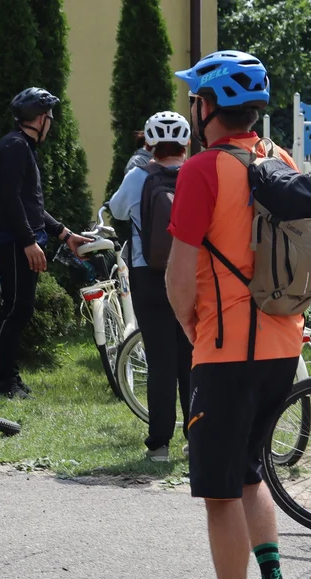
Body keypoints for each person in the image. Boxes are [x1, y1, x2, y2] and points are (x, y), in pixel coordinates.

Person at [165, 51, 302, 579]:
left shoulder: (202, 169)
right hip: (283, 346)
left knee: (221, 492)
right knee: (250, 472)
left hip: (225, 351)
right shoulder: (282, 162)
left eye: (196, 98)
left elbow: (179, 275)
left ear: (209, 106)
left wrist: (197, 331)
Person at [0, 87, 88, 398]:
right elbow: (9, 200)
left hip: (21, 240)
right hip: (15, 242)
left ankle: (10, 378)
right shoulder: (16, 146)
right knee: (17, 309)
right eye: (50, 117)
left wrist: (64, 234)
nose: (51, 123)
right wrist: (29, 241)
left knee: (19, 309)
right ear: (41, 118)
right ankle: (4, 382)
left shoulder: (22, 147)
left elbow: (32, 204)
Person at [109, 111, 192, 463]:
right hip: (191, 275)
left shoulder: (138, 176)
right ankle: (198, 437)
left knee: (160, 361)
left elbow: (117, 211)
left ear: (148, 143)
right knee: (191, 359)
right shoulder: (196, 172)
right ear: (187, 143)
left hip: (149, 275)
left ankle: (159, 444)